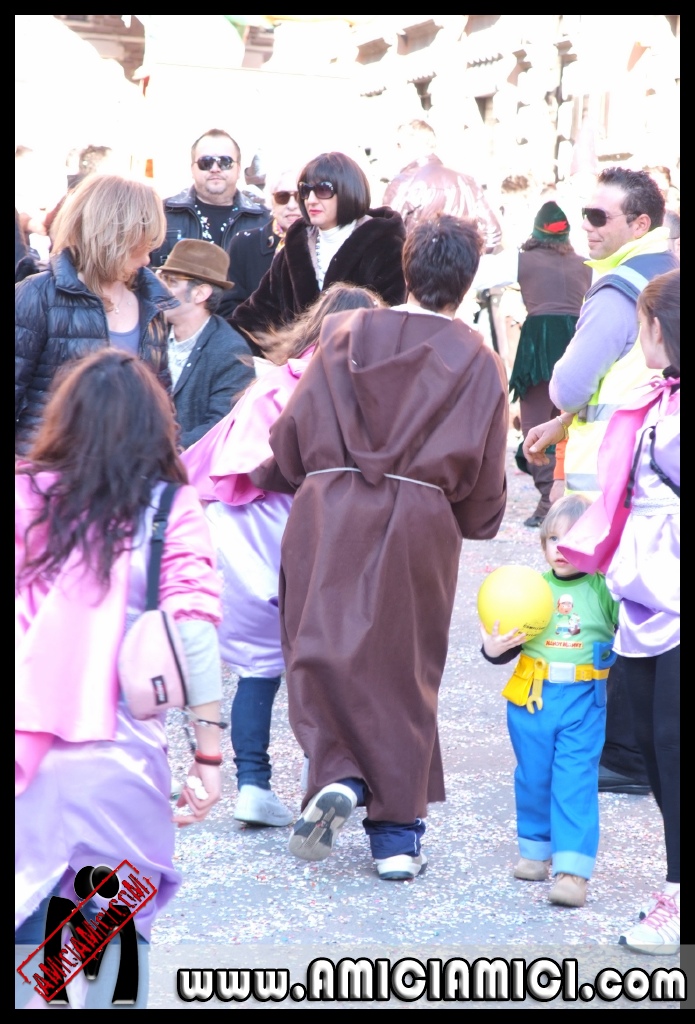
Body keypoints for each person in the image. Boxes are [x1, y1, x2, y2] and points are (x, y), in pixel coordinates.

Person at [250, 214, 508, 880]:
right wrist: (473, 517)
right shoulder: (478, 359)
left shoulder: (344, 332)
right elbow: (484, 479)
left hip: (327, 505)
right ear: (468, 279)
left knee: (320, 650)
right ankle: (394, 834)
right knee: (402, 669)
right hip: (418, 514)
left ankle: (338, 773)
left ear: (405, 267)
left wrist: (299, 474)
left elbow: (291, 433)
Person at [15, 350, 224, 1009]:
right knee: (110, 939)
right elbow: (194, 632)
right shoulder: (169, 508)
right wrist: (208, 757)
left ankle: (37, 989)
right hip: (121, 763)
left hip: (23, 762)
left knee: (27, 926)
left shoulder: (22, 495)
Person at [183, 283, 383, 828]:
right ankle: (325, 779)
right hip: (310, 534)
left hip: (236, 536)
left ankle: (253, 784)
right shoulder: (364, 390)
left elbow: (220, 462)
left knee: (258, 666)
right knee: (327, 664)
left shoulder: (274, 381)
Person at [523, 166, 678, 797]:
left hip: (613, 476)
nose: (584, 227)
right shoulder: (666, 269)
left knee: (610, 608)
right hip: (647, 472)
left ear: (639, 223)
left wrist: (563, 410)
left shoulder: (621, 287)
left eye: (597, 216)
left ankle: (624, 753)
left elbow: (570, 381)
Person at [559, 268, 680, 953]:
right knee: (654, 748)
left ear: (662, 328)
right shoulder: (657, 397)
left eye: (643, 327)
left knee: (671, 745)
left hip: (668, 584)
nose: (639, 340)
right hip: (644, 587)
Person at [480, 495, 618, 909]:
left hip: (583, 701)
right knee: (533, 777)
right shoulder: (530, 590)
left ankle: (573, 870)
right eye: (553, 539)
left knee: (574, 779)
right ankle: (536, 852)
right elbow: (504, 642)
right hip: (531, 699)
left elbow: (634, 630)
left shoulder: (604, 588)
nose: (560, 548)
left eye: (573, 539)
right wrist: (492, 647)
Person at [15, 174, 176, 457]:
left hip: (127, 475)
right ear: (114, 237)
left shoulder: (152, 303)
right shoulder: (37, 295)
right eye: (142, 245)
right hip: (50, 473)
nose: (148, 259)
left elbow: (163, 410)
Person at [231, 151, 406, 341]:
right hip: (294, 357)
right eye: (305, 190)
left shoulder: (385, 245)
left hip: (357, 356)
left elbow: (391, 323)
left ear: (348, 190)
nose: (311, 200)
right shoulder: (295, 245)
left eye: (323, 190)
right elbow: (257, 314)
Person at [508, 201, 592, 527]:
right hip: (575, 340)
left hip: (538, 342)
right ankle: (560, 497)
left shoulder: (522, 260)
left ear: (537, 231)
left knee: (534, 423)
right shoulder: (585, 263)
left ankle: (548, 501)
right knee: (569, 421)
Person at [149, 129, 270, 318]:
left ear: (238, 169)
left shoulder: (264, 220)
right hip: (171, 327)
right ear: (192, 168)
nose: (215, 168)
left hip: (241, 330)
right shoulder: (161, 213)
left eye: (225, 162)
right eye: (206, 162)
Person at [157, 239, 254, 449]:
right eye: (161, 278)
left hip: (189, 464)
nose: (160, 288)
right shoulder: (151, 334)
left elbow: (220, 427)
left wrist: (163, 452)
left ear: (200, 293)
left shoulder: (231, 351)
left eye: (171, 281)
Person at [382, 119, 502, 253]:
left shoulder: (404, 183)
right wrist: (468, 259)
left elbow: (383, 237)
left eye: (399, 144)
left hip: (418, 264)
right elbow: (493, 233)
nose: (396, 150)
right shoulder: (467, 181)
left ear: (409, 144)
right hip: (462, 263)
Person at [224, 169, 303, 326]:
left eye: (299, 196)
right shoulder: (244, 244)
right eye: (282, 197)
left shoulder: (324, 243)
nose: (291, 205)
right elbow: (228, 307)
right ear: (271, 201)